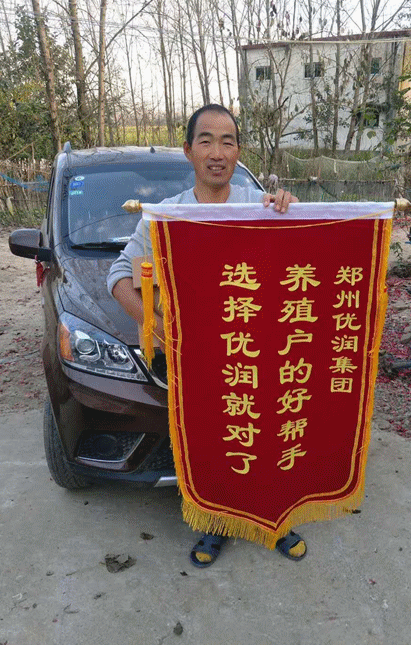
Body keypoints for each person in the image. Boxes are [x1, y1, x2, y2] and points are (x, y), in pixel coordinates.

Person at [107, 103, 306, 567]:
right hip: (199, 360)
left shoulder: (259, 208)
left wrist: (295, 211)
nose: (217, 152)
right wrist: (159, 327)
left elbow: (302, 259)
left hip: (260, 356)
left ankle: (273, 519)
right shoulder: (165, 217)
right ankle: (215, 524)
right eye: (206, 141)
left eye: (228, 142)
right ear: (189, 151)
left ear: (238, 151)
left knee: (268, 438)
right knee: (212, 445)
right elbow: (119, 276)